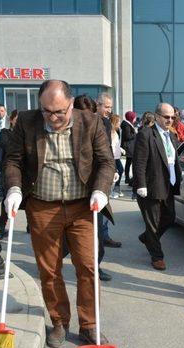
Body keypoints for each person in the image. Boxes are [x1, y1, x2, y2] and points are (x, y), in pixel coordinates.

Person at [4, 80, 115, 348]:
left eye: (59, 112)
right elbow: (13, 161)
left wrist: (101, 190)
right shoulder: (27, 122)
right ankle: (59, 322)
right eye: (47, 112)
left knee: (87, 267)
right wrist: (14, 189)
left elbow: (106, 162)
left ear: (71, 103)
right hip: (42, 206)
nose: (53, 118)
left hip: (82, 207)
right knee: (49, 269)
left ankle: (89, 325)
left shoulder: (91, 122)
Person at [133, 103, 182, 270]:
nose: (169, 120)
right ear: (157, 116)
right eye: (166, 117)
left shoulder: (173, 136)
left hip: (169, 185)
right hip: (152, 185)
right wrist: (141, 184)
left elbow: (173, 161)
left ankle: (148, 237)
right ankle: (157, 256)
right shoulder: (146, 134)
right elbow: (139, 162)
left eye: (172, 117)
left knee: (169, 217)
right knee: (152, 223)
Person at [73, 94, 114, 281]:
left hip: (93, 187)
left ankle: (95, 267)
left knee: (96, 233)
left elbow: (105, 156)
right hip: (70, 191)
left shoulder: (100, 124)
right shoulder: (65, 127)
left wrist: (107, 176)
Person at [95, 92, 121, 248]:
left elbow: (108, 148)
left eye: (111, 107)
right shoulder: (89, 120)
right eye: (107, 107)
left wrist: (113, 169)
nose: (109, 110)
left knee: (104, 205)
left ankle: (103, 236)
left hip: (105, 170)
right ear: (97, 104)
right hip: (92, 172)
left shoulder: (105, 122)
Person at [0, 109, 18, 228]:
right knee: (7, 196)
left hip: (23, 169)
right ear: (11, 120)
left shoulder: (24, 134)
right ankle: (2, 224)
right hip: (8, 168)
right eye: (17, 120)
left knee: (27, 197)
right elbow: (6, 146)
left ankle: (30, 225)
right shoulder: (4, 133)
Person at [110, 113, 125, 198]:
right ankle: (114, 189)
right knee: (117, 172)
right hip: (112, 156)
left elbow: (116, 144)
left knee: (120, 171)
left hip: (116, 156)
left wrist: (121, 149)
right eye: (118, 121)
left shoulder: (115, 131)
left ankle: (116, 188)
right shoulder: (110, 132)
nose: (119, 123)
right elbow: (110, 145)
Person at [121, 111, 137, 185]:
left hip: (130, 146)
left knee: (129, 162)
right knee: (129, 163)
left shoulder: (128, 124)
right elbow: (127, 136)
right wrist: (135, 134)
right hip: (129, 147)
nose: (135, 118)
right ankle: (128, 178)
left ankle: (128, 178)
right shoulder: (126, 125)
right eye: (134, 117)